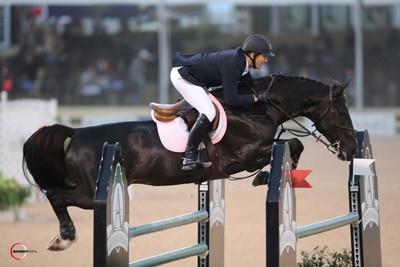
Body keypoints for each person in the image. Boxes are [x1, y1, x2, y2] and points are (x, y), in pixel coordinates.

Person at [170, 34, 275, 171]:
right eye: (264, 56)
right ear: (253, 54)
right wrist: (255, 98)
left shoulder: (241, 63)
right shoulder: (234, 64)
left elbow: (249, 84)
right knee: (208, 111)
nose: (266, 60)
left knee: (210, 108)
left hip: (192, 75)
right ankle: (190, 154)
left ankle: (201, 150)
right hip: (184, 75)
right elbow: (231, 99)